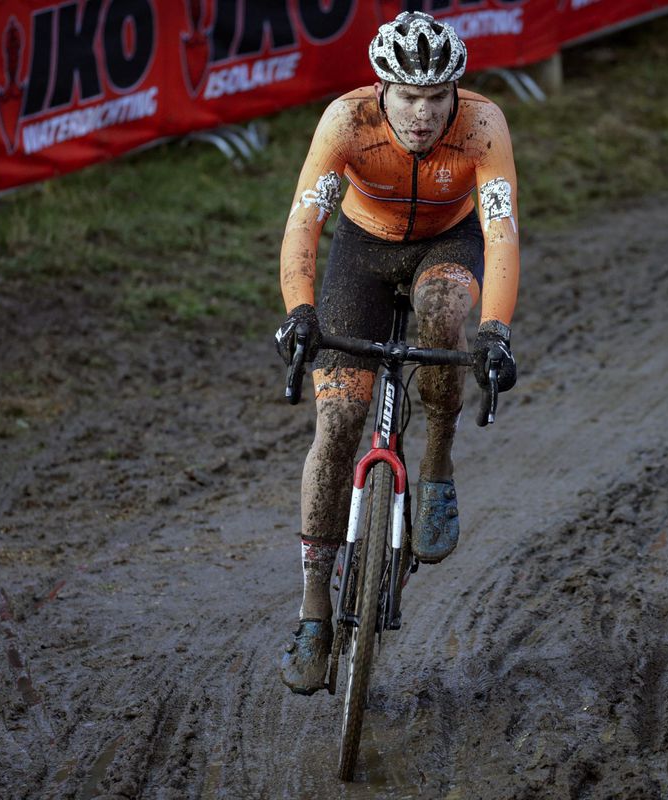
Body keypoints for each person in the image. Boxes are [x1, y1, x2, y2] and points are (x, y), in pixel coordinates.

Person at [274, 11, 520, 695]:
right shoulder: (346, 121)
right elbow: (304, 222)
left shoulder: (482, 126)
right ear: (381, 88)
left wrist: (495, 330)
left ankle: (436, 464)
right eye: (408, 96)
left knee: (444, 317)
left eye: (437, 96)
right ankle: (315, 610)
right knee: (337, 427)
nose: (422, 113)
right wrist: (300, 311)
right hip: (361, 253)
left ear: (455, 93)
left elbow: (499, 235)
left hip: (448, 245)